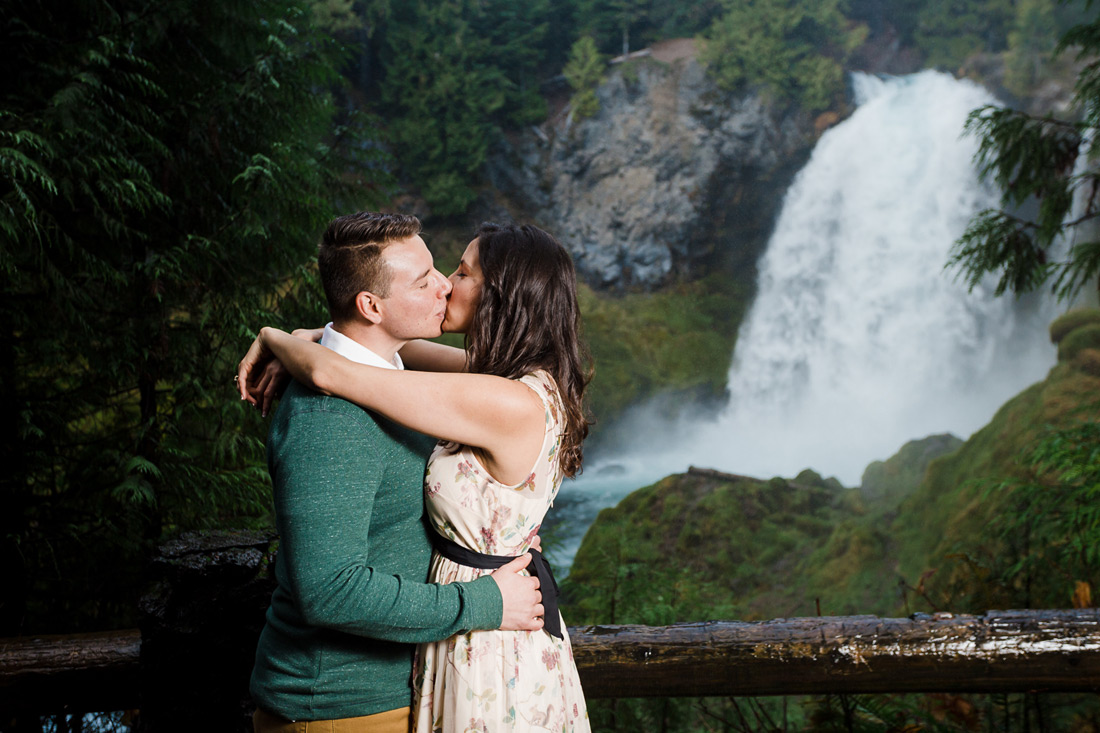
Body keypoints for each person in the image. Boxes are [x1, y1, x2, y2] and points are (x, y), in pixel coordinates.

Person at [238, 222, 592, 732]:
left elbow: (338, 369)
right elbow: (361, 362)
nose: (446, 284)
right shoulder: (343, 414)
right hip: (357, 689)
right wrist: (307, 338)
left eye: (458, 272)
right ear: (371, 305)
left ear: (502, 299)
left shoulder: (502, 396)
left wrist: (277, 336)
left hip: (478, 645)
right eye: (427, 276)